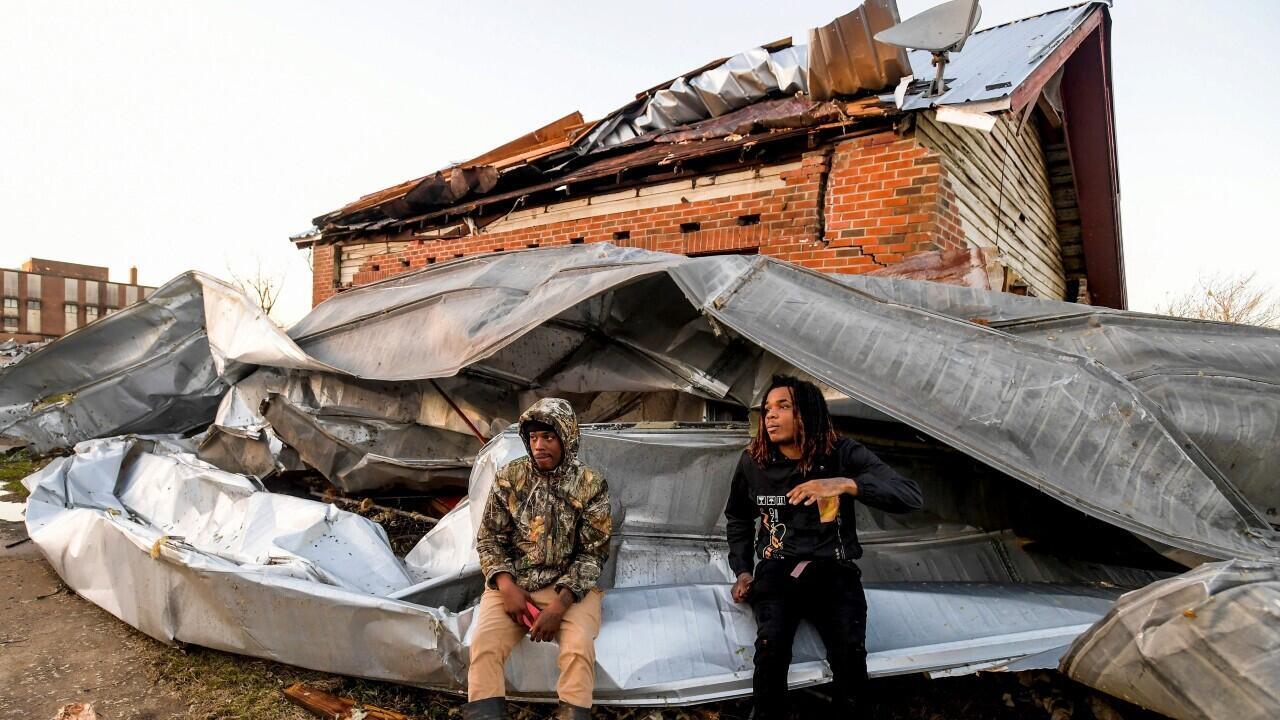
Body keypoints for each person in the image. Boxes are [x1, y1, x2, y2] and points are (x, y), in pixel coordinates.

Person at [725, 375, 923, 719]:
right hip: (777, 570)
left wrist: (845, 484)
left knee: (849, 654)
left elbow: (910, 496)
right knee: (770, 653)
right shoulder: (753, 462)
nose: (770, 416)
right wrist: (742, 569)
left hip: (834, 569)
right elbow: (738, 519)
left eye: (783, 407)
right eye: (767, 409)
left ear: (808, 413)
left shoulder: (842, 453)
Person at [465, 398, 612, 720]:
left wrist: (560, 606)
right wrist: (506, 587)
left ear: (566, 438)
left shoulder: (590, 484)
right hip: (513, 585)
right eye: (533, 438)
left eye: (548, 437)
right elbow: (489, 539)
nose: (539, 445)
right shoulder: (510, 478)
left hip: (569, 590)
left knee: (577, 650)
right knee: (485, 645)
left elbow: (594, 552)